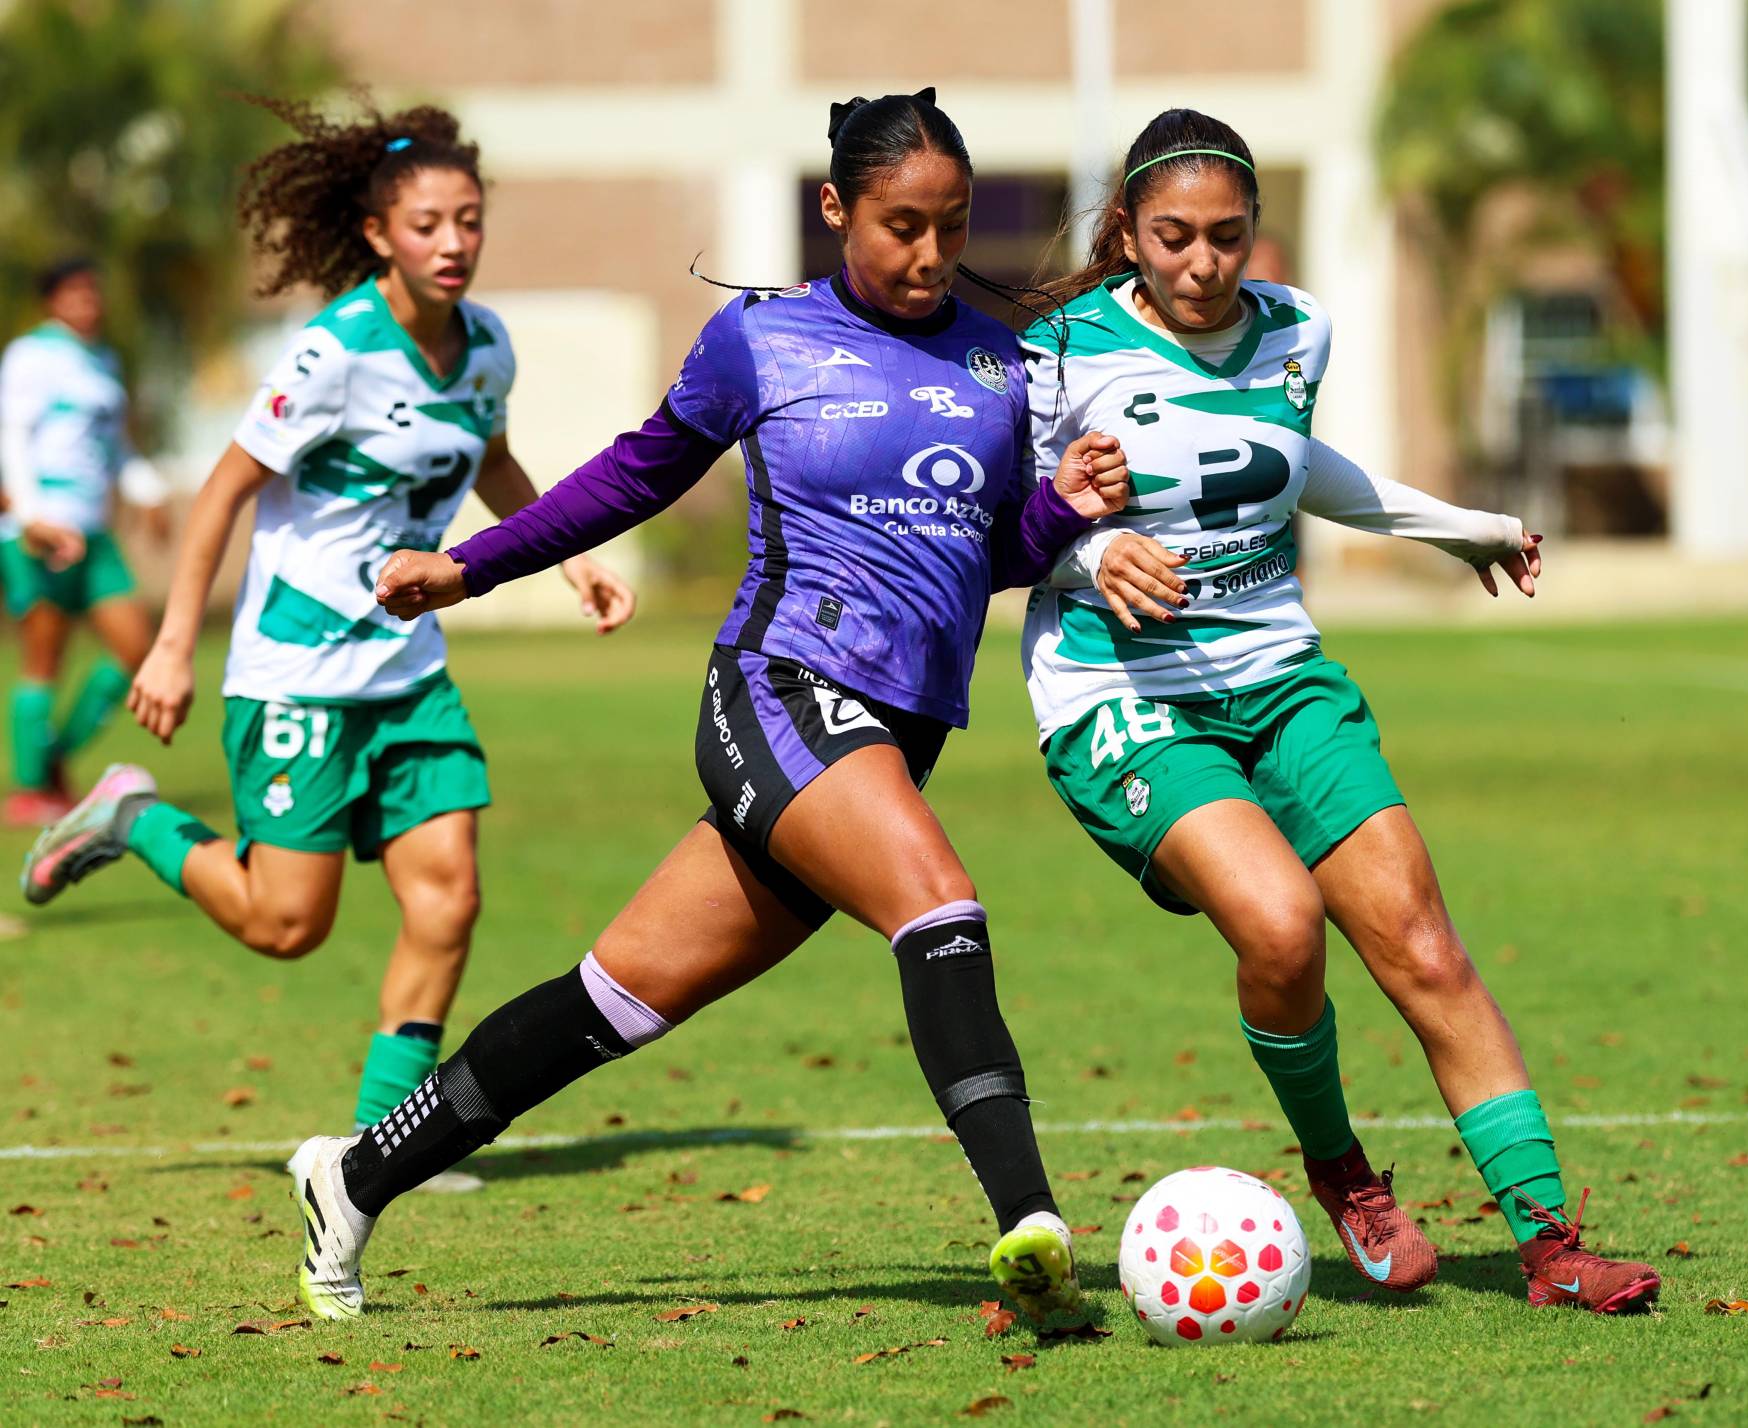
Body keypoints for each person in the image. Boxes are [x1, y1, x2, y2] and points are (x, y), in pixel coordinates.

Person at [277, 89, 1131, 1326]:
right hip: (780, 688)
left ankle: (350, 1177)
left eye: (950, 226)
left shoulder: (997, 362)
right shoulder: (761, 340)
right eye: (900, 225)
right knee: (937, 901)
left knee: (612, 999)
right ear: (834, 207)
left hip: (900, 733)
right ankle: (1031, 1228)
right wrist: (472, 566)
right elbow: (637, 472)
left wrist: (1063, 509)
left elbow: (981, 549)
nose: (929, 255)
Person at [1018, 109, 1659, 1313]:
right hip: (1121, 692)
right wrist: (1087, 554)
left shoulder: (1298, 328)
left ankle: (1550, 1246)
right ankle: (1342, 1170)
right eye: (1172, 238)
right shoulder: (1054, 350)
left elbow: (1297, 466)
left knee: (1421, 942)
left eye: (1226, 236)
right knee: (1279, 926)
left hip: (1283, 673)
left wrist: (1455, 524)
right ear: (1126, 232)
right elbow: (1000, 525)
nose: (1202, 263)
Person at [20, 101, 633, 1171]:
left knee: (449, 897)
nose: (453, 243)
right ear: (378, 235)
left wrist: (571, 554)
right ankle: (133, 818)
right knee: (284, 925)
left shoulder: (486, 345)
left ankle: (378, 1147)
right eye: (429, 224)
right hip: (298, 670)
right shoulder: (335, 350)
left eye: (470, 221)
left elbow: (491, 462)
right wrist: (171, 646)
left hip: (409, 674)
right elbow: (220, 491)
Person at [0, 257, 170, 825]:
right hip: (44, 530)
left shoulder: (102, 359)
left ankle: (52, 758)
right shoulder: (31, 355)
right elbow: (13, 437)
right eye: (73, 291)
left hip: (93, 532)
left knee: (134, 647)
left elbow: (115, 445)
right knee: (44, 657)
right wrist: (29, 517)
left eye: (92, 290)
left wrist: (146, 488)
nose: (87, 301)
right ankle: (30, 790)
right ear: (51, 299)